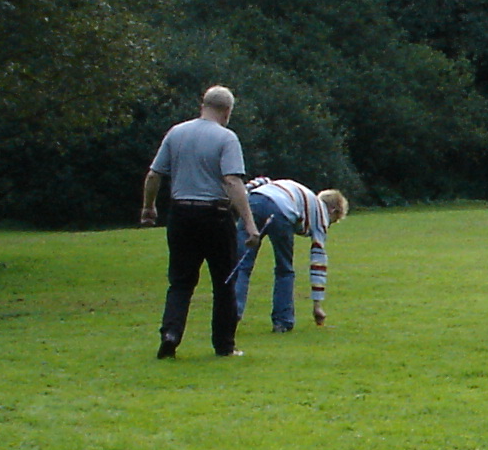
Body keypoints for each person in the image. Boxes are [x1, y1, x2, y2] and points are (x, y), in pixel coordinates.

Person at [140, 85, 261, 359]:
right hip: (215, 215)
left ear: (202, 104)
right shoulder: (227, 138)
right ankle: (224, 345)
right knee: (224, 282)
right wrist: (249, 224)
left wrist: (149, 207)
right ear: (227, 111)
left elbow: (154, 175)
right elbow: (232, 181)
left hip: (180, 214)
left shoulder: (176, 132)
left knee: (180, 281)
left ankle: (171, 334)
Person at [232, 178, 348, 334]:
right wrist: (317, 305)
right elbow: (318, 262)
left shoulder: (301, 194)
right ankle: (282, 322)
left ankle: (231, 313)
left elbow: (262, 180)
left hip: (255, 200)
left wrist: (242, 192)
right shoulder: (321, 215)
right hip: (282, 211)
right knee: (284, 269)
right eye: (333, 221)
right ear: (333, 210)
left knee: (241, 264)